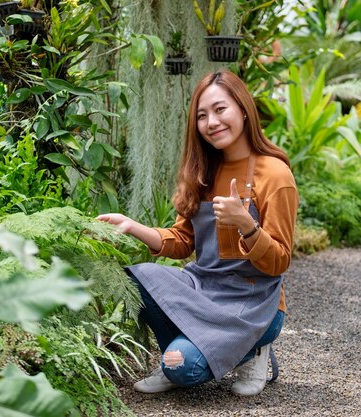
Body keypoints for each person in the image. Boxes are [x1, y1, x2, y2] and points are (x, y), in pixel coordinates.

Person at [97, 69, 298, 396]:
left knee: (183, 368)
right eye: (202, 115)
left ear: (243, 109)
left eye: (221, 109)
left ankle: (252, 350)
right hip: (204, 289)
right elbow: (181, 243)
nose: (212, 122)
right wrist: (133, 227)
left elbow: (279, 262)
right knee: (135, 277)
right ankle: (175, 353)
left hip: (254, 300)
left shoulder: (275, 174)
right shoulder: (202, 172)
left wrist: (246, 224)